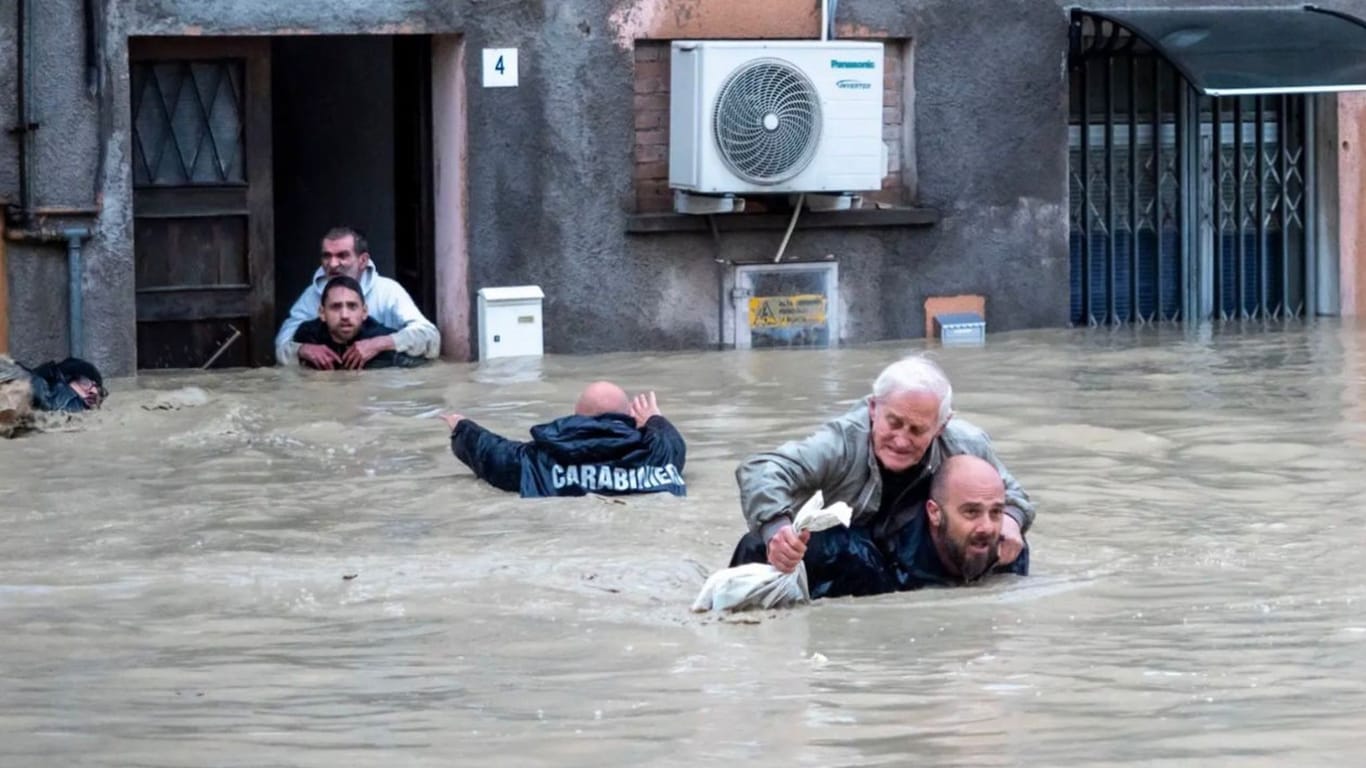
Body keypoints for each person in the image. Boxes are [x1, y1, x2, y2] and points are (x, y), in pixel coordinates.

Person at [730, 354, 1034, 579]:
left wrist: (1010, 518)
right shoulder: (841, 443)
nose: (901, 440)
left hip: (905, 553)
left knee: (1007, 546)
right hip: (842, 548)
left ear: (941, 427)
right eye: (894, 423)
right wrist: (777, 530)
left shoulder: (967, 444)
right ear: (873, 408)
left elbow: (1014, 496)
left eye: (917, 431)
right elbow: (761, 468)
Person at [794, 455, 1030, 599]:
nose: (988, 527)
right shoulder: (862, 562)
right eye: (971, 512)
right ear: (934, 513)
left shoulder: (1010, 550)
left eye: (996, 512)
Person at [441, 381, 687, 497]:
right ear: (630, 418)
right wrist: (656, 422)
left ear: (576, 418)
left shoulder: (539, 457)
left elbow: (494, 456)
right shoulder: (656, 453)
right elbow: (674, 448)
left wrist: (462, 428)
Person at [275, 226, 440, 370]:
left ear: (363, 260)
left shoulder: (388, 291)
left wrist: (378, 344)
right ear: (322, 311)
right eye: (327, 256)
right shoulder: (311, 296)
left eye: (342, 255)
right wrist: (303, 350)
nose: (332, 264)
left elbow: (431, 339)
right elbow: (281, 348)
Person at [290, 276, 426, 370]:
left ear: (364, 311)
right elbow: (281, 356)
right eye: (336, 307)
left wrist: (378, 345)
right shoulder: (308, 335)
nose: (344, 315)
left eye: (352, 306)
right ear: (322, 313)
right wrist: (300, 350)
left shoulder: (380, 339)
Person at [0, 355, 106, 438]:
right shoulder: (25, 383)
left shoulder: (79, 418)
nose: (94, 391)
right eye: (85, 382)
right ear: (64, 378)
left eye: (98, 389)